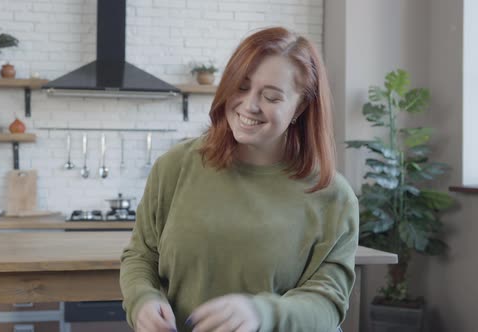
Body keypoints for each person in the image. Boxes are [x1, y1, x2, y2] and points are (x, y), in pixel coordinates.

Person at [120, 26, 359, 332]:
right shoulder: (175, 167)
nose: (250, 105)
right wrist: (143, 300)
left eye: (271, 96)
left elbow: (328, 303)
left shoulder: (332, 196)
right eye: (241, 87)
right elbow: (141, 256)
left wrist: (263, 315)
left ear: (300, 107)